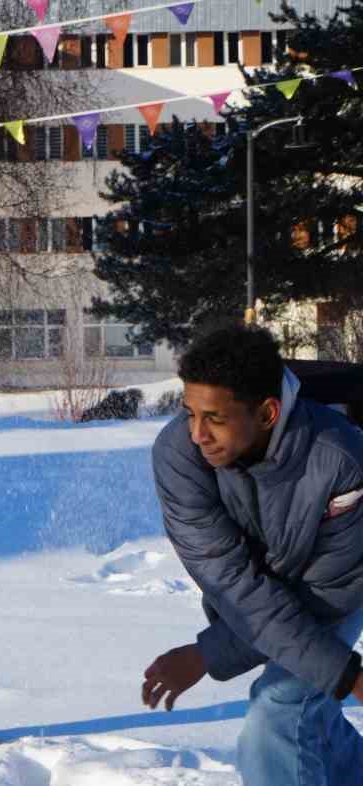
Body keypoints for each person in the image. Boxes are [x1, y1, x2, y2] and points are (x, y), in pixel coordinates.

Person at [141, 323, 363, 785]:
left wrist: (347, 675)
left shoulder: (339, 459)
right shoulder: (179, 456)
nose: (197, 434)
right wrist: (209, 652)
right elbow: (233, 584)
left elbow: (331, 594)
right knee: (305, 715)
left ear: (266, 413)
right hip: (259, 607)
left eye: (215, 418)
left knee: (278, 709)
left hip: (336, 590)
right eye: (189, 413)